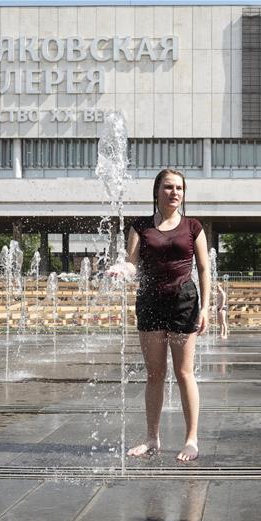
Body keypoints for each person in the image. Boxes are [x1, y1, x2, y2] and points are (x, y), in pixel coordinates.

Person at [110, 168, 210, 462]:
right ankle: (152, 438)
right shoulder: (140, 226)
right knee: (155, 374)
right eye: (168, 187)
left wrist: (204, 307)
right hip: (150, 301)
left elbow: (204, 268)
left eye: (179, 188)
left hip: (184, 301)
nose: (174, 193)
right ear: (157, 191)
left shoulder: (193, 227)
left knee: (183, 372)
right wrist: (121, 269)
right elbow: (132, 264)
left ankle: (191, 439)